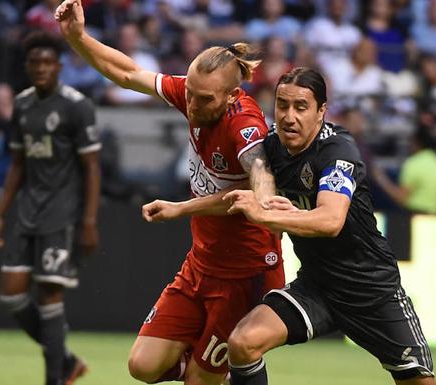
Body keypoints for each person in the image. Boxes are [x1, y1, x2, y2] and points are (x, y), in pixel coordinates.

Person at [55, 1, 285, 384]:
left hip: (244, 274)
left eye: (205, 99)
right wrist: (79, 38)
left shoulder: (243, 125)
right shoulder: (196, 94)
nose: (192, 105)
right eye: (190, 94)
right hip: (201, 265)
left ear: (232, 96)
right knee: (143, 366)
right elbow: (127, 72)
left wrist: (188, 208)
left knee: (198, 380)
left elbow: (259, 172)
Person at [223, 67, 436, 385]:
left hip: (371, 290)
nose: (289, 116)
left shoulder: (338, 151)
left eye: (301, 107)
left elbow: (331, 220)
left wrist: (268, 216)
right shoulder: (271, 148)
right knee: (242, 344)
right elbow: (241, 197)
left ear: (321, 111)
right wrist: (179, 208)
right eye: (282, 105)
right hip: (316, 288)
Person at [0, 31, 101, 385]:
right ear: (27, 66)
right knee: (11, 297)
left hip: (62, 215)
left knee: (49, 293)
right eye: (34, 62)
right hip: (26, 212)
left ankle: (54, 378)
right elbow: (17, 163)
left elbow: (92, 167)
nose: (40, 68)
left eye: (47, 62)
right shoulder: (21, 104)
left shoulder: (76, 106)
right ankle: (66, 361)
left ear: (59, 66)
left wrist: (89, 221)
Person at [373, 113, 436, 214]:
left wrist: (381, 179)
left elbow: (400, 197)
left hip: (414, 219)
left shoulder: (413, 163)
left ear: (417, 142)